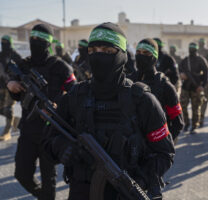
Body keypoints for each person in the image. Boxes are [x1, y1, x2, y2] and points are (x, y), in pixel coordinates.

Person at [43, 22, 175, 200]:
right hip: (80, 192)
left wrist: (140, 181)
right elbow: (48, 141)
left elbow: (164, 154)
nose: (98, 56)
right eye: (93, 50)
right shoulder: (74, 97)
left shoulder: (143, 101)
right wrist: (62, 148)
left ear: (122, 55)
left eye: (107, 50)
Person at [6, 24, 76, 200]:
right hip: (28, 130)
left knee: (49, 180)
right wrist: (11, 86)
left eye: (40, 39)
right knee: (22, 175)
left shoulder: (61, 67)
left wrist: (57, 106)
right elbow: (15, 92)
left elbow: (75, 95)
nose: (35, 42)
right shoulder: (23, 65)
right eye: (33, 38)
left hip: (50, 132)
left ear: (49, 42)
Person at [135, 38, 184, 143]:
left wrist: (164, 142)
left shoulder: (165, 86)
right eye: (138, 52)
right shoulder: (129, 80)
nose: (140, 56)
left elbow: (178, 123)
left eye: (146, 53)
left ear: (154, 57)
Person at [179, 42, 208, 134]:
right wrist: (181, 74)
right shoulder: (185, 60)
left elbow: (206, 73)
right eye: (190, 48)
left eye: (193, 48)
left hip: (196, 88)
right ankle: (186, 124)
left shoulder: (201, 60)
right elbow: (179, 69)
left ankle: (194, 125)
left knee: (196, 107)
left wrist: (202, 86)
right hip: (186, 87)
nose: (191, 50)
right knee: (183, 106)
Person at [0, 35, 22, 141]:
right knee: (1, 110)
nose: (3, 44)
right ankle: (17, 122)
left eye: (5, 42)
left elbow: (22, 69)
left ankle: (7, 132)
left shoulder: (15, 55)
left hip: (11, 87)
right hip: (1, 86)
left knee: (8, 109)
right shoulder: (0, 55)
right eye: (2, 42)